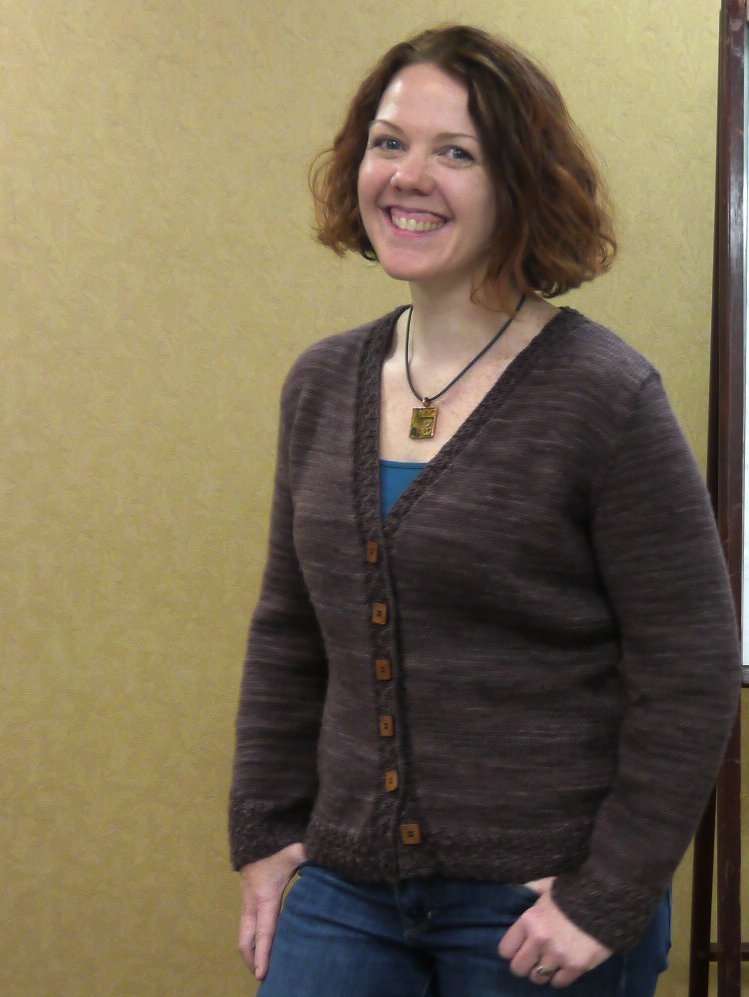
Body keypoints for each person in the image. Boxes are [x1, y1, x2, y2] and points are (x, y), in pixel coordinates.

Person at [229, 25, 741, 996]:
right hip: (345, 883)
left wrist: (609, 891)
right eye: (388, 142)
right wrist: (264, 828)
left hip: (538, 897)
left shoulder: (603, 395)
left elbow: (691, 664)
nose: (407, 176)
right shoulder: (322, 383)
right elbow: (287, 630)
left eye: (454, 153)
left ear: (520, 183)